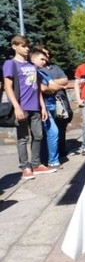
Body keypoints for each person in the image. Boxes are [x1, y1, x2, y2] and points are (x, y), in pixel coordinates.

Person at [2, 36, 56, 179]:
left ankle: (36, 164)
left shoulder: (31, 65)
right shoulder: (10, 64)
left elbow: (37, 87)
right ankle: (25, 167)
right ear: (14, 47)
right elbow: (8, 87)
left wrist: (42, 106)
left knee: (38, 135)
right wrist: (16, 107)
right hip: (22, 107)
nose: (27, 48)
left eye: (27, 46)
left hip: (35, 107)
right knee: (23, 138)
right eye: (23, 46)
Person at [30, 47, 61, 168]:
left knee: (46, 134)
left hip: (50, 104)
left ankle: (45, 160)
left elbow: (55, 86)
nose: (45, 61)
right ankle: (53, 161)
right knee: (53, 132)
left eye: (45, 59)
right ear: (33, 59)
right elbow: (42, 88)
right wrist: (49, 88)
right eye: (42, 59)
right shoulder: (33, 73)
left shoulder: (42, 73)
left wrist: (49, 88)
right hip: (42, 107)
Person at [40, 46, 70, 159]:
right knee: (50, 130)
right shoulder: (37, 69)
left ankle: (62, 149)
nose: (46, 56)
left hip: (60, 100)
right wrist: (57, 84)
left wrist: (51, 83)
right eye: (44, 54)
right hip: (47, 101)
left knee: (61, 125)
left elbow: (65, 79)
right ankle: (49, 155)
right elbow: (43, 86)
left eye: (48, 54)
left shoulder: (55, 67)